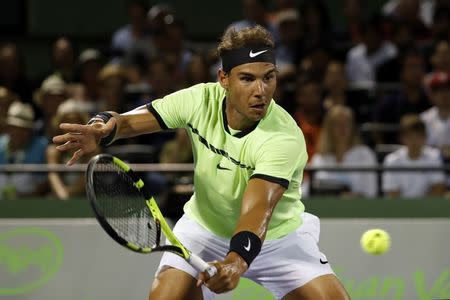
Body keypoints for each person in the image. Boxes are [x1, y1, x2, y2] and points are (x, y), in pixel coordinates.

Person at [53, 25, 349, 300]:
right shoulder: (198, 101)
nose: (260, 91)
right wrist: (102, 130)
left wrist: (236, 262)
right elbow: (129, 122)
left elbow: (258, 208)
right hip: (204, 228)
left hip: (277, 238)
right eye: (247, 78)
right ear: (224, 79)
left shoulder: (283, 137)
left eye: (268, 77)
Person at [310, 105, 378, 198]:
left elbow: (371, 193)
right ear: (329, 129)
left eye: (347, 123)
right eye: (337, 124)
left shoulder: (365, 154)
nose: (342, 128)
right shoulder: (319, 158)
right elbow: (312, 191)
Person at [382, 114, 446, 198]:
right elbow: (392, 194)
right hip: (399, 210)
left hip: (428, 209)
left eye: (418, 137)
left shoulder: (434, 156)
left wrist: (422, 209)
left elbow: (438, 189)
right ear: (402, 138)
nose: (414, 141)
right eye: (410, 137)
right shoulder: (391, 160)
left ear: (425, 137)